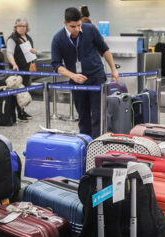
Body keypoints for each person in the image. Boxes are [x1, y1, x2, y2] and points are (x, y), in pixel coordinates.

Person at [51, 7, 119, 139]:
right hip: (77, 82)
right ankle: (86, 144)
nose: (76, 29)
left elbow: (104, 49)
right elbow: (56, 65)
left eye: (79, 25)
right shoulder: (58, 39)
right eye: (73, 26)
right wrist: (72, 76)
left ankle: (97, 144)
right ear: (65, 23)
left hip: (96, 78)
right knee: (83, 117)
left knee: (98, 115)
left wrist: (113, 69)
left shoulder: (90, 29)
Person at [7, 18, 35, 121]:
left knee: (25, 92)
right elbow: (9, 53)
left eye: (24, 26)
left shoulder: (28, 38)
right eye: (20, 26)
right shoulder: (12, 39)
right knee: (17, 91)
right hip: (17, 69)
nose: (22, 28)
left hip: (27, 69)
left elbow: (30, 52)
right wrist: (14, 64)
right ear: (15, 27)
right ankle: (16, 113)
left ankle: (21, 111)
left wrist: (33, 51)